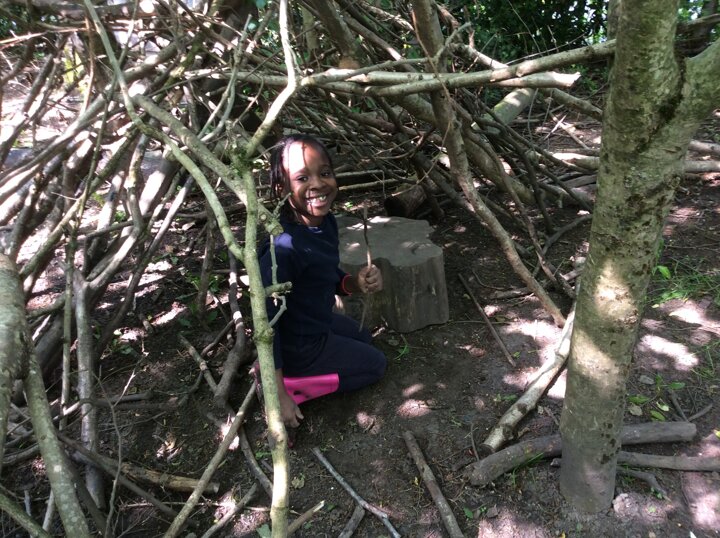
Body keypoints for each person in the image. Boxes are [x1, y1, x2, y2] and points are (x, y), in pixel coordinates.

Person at [258, 134, 387, 429]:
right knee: (375, 366)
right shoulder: (282, 250)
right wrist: (278, 394)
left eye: (325, 173)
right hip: (299, 347)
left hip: (316, 323)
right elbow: (266, 325)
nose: (318, 184)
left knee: (364, 336)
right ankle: (291, 384)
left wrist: (356, 283)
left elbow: (324, 275)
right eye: (302, 178)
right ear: (281, 189)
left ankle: (290, 373)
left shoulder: (324, 222)